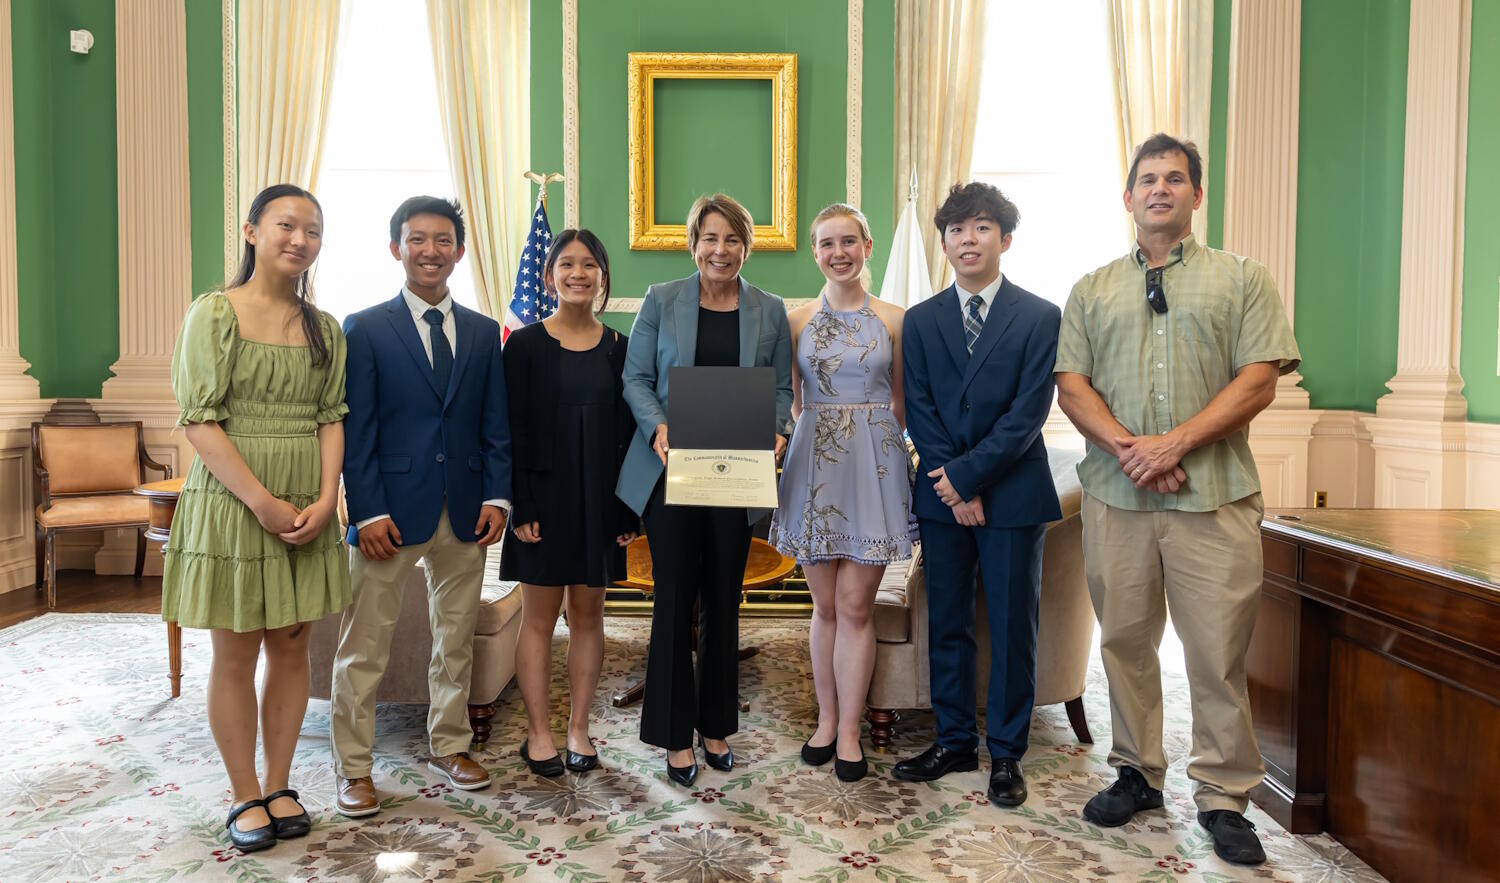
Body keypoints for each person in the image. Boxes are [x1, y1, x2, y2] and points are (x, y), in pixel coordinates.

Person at [1054, 133, 1299, 866]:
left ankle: (1225, 796)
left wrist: (1175, 444)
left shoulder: (1243, 278)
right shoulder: (1092, 288)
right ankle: (1136, 770)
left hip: (1213, 496)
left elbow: (1258, 379)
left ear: (1196, 195)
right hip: (1116, 498)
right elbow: (1072, 386)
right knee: (1124, 638)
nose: (1160, 188)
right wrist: (1134, 449)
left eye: (1176, 178)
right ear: (1127, 198)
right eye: (1147, 179)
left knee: (1217, 650)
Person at [162, 183, 350, 852]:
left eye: (313, 230)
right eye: (286, 225)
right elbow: (199, 420)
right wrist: (262, 502)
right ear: (252, 230)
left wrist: (328, 499)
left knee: (294, 644)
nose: (300, 239)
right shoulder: (213, 313)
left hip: (307, 502)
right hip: (236, 500)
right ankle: (243, 792)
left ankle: (278, 782)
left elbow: (332, 417)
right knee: (236, 649)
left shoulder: (324, 327)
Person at [330, 196, 512, 817]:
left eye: (442, 241)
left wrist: (496, 495)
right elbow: (357, 431)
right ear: (396, 248)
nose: (430, 251)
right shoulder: (365, 327)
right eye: (417, 240)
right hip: (388, 516)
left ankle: (451, 745)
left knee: (454, 638)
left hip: (464, 513)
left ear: (460, 251)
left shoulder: (486, 333)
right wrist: (365, 511)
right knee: (365, 644)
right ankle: (353, 767)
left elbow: (495, 424)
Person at [893, 182, 1061, 809]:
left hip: (1012, 494)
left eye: (982, 227)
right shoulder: (922, 319)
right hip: (941, 496)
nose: (969, 238)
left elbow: (1027, 414)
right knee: (948, 623)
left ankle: (1008, 754)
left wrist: (969, 478)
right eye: (958, 229)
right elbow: (921, 409)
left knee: (1015, 625)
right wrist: (950, 482)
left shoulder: (1041, 316)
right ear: (943, 243)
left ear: (1005, 240)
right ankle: (955, 739)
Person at [617, 193, 794, 787]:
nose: (721, 251)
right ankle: (673, 735)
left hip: (737, 475)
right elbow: (635, 377)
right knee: (673, 599)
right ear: (693, 244)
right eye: (710, 239)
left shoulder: (769, 310)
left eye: (733, 240)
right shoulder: (661, 300)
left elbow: (781, 392)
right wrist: (658, 425)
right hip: (671, 474)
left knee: (724, 599)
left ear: (747, 246)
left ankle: (716, 726)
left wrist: (778, 429)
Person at [769, 203, 911, 782]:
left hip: (875, 466)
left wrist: (876, 441)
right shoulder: (796, 320)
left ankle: (850, 732)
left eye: (848, 241)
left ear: (868, 246)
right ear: (815, 251)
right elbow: (794, 402)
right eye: (826, 243)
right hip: (814, 464)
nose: (838, 252)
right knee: (824, 606)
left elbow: (901, 404)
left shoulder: (898, 320)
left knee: (856, 607)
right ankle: (825, 721)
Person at [501, 229, 638, 777]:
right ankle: (539, 734)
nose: (577, 273)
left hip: (600, 502)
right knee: (538, 620)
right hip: (542, 502)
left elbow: (631, 435)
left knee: (589, 616)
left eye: (589, 264)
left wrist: (627, 510)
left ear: (603, 277)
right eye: (566, 264)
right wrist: (521, 506)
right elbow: (511, 429)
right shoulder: (525, 344)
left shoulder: (621, 347)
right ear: (549, 274)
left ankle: (579, 728)